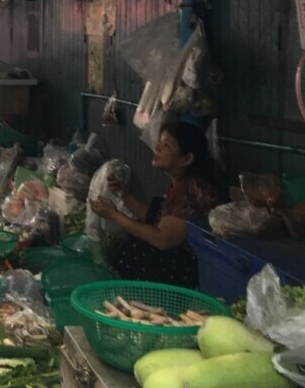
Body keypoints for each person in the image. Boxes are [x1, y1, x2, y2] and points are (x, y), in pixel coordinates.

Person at [89, 121, 225, 288]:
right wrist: (124, 196)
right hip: (187, 261)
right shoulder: (182, 184)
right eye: (159, 142)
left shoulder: (191, 189)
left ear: (186, 159)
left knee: (133, 247)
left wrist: (114, 215)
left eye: (166, 145)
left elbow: (163, 239)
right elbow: (156, 218)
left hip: (196, 270)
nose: (157, 148)